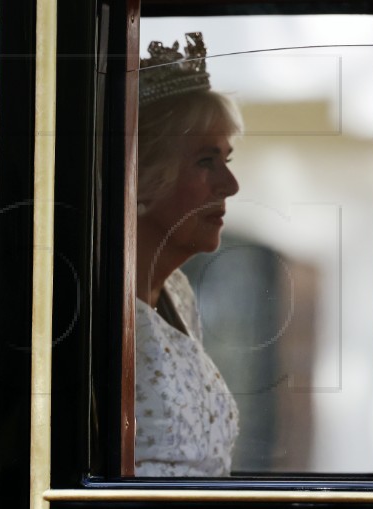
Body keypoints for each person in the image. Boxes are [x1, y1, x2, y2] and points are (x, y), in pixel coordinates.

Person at [133, 33, 241, 477]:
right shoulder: (94, 309)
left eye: (227, 159)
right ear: (142, 173)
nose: (230, 185)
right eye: (205, 161)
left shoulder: (177, 293)